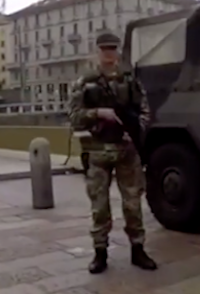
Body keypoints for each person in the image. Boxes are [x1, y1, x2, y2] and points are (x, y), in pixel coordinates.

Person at [68, 32, 157, 274]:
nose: (109, 54)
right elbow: (74, 118)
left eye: (112, 49)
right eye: (104, 49)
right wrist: (98, 114)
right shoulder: (85, 82)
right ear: (97, 51)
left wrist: (135, 130)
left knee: (132, 203)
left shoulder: (129, 80)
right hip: (97, 151)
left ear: (117, 51)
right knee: (99, 206)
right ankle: (100, 252)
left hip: (126, 150)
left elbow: (145, 111)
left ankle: (138, 249)